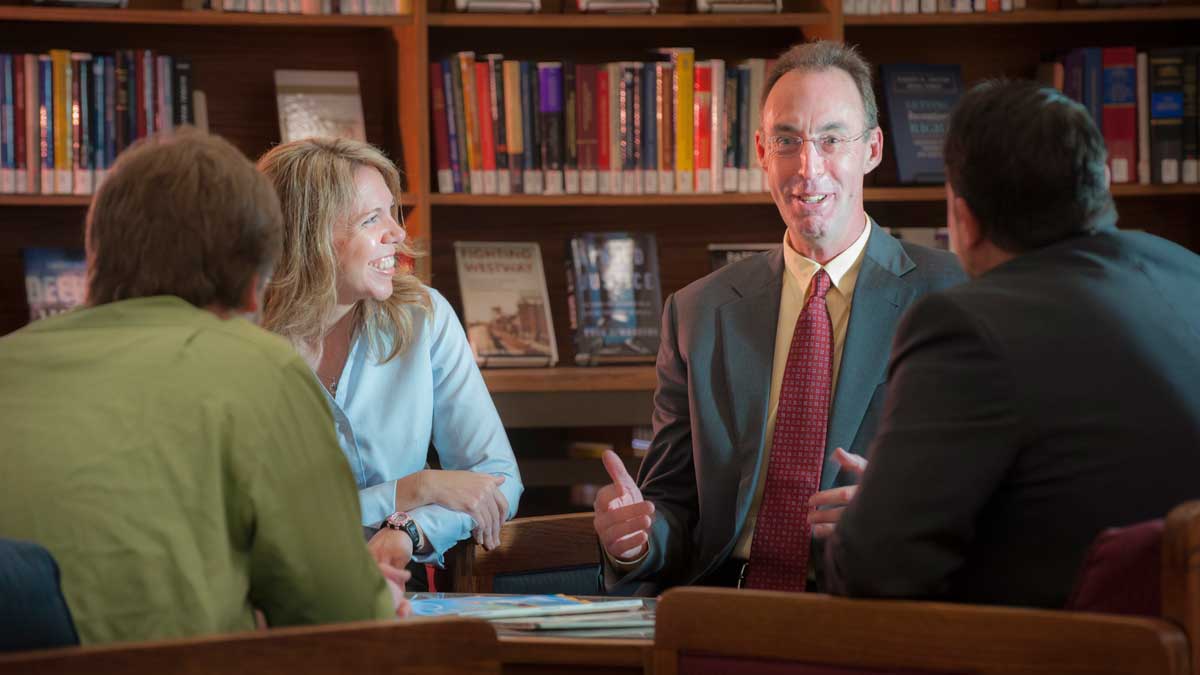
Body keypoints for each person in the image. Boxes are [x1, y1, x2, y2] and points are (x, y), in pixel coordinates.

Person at [0, 129, 407, 645]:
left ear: (97, 251)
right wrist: (377, 596)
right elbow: (344, 618)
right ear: (256, 273)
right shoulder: (262, 370)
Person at [593, 41, 965, 594]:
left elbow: (995, 489)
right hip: (726, 601)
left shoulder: (950, 297)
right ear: (763, 152)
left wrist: (900, 512)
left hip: (874, 606)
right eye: (788, 141)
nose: (808, 168)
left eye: (832, 140)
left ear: (873, 150)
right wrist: (637, 539)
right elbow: (673, 505)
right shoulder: (698, 312)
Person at [824, 80, 1200, 608]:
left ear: (964, 218)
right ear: (1100, 183)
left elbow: (872, 574)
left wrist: (881, 504)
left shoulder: (964, 326)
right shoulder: (1189, 273)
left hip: (1054, 647)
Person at [257, 138, 522, 584]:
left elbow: (497, 479)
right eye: (370, 219)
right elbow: (262, 521)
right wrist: (413, 489)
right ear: (310, 236)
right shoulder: (241, 344)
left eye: (391, 212)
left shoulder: (424, 315)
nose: (398, 234)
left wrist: (409, 529)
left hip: (396, 588)